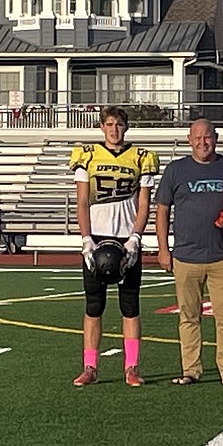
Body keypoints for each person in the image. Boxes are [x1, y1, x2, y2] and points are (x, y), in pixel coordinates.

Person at [68, 106, 159, 387]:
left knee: (130, 306)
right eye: (109, 124)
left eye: (119, 124)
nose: (114, 129)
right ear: (102, 127)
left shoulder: (141, 157)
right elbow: (82, 201)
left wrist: (136, 238)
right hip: (96, 237)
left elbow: (144, 203)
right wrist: (86, 239)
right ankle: (90, 366)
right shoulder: (88, 155)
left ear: (126, 127)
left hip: (126, 238)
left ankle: (132, 367)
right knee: (94, 305)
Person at [154, 118, 223, 385]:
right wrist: (163, 249)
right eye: (198, 137)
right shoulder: (176, 170)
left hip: (222, 257)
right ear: (189, 139)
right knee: (189, 317)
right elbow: (162, 210)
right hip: (185, 257)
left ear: (216, 138)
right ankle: (190, 369)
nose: (203, 142)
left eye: (208, 137)